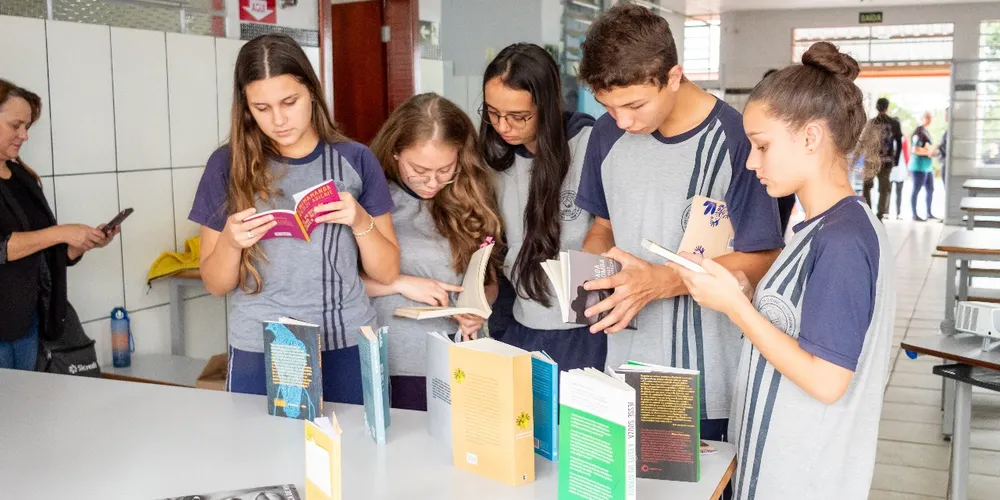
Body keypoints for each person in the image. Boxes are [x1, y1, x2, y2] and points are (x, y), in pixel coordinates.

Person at [672, 42, 894, 500]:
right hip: (779, 465)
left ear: (811, 137)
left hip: (807, 478)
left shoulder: (843, 238)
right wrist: (746, 291)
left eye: (762, 145)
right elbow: (805, 324)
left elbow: (827, 380)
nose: (751, 162)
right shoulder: (818, 227)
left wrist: (736, 308)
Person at [574, 4, 785, 443]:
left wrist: (664, 281)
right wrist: (589, 274)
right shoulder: (605, 136)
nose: (623, 121)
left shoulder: (735, 139)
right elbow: (602, 227)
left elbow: (764, 255)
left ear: (673, 76)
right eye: (608, 107)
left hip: (706, 376)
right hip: (623, 369)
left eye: (634, 105)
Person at [189, 34, 400, 403]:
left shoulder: (356, 159)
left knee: (354, 457)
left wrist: (359, 219)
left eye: (290, 102)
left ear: (312, 92)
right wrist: (230, 242)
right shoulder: (226, 165)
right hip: (260, 343)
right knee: (261, 457)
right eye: (262, 107)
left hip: (345, 340)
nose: (279, 119)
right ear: (246, 107)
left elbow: (386, 272)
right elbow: (216, 285)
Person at [367, 93, 503, 410]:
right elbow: (337, 281)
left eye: (445, 169)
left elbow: (488, 281)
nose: (431, 181)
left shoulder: (471, 197)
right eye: (419, 169)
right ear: (396, 152)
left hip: (457, 359)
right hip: (392, 361)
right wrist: (400, 283)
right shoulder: (370, 199)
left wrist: (478, 309)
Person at [480, 43, 606, 371]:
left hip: (584, 329)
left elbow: (611, 231)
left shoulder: (589, 144)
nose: (503, 127)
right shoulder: (494, 156)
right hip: (517, 325)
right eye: (492, 113)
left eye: (518, 116)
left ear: (547, 106)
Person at [0, 80, 118, 371]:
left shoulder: (22, 178)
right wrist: (60, 233)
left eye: (27, 126)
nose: (24, 136)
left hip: (27, 326)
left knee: (23, 414)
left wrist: (78, 246)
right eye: (16, 125)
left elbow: (44, 255)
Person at [863, 98, 903, 220]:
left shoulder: (870, 123)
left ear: (876, 107)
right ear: (887, 107)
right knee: (884, 189)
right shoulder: (894, 123)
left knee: (867, 187)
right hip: (886, 162)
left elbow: (864, 141)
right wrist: (896, 158)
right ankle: (880, 214)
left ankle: (868, 212)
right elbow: (899, 142)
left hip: (870, 161)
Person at [908, 112, 937, 221]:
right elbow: (915, 149)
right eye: (927, 118)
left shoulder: (926, 131)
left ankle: (929, 212)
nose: (929, 120)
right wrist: (928, 152)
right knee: (916, 190)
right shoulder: (919, 132)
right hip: (918, 167)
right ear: (922, 118)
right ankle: (914, 214)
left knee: (930, 189)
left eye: (931, 118)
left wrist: (930, 151)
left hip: (927, 167)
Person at [888, 135, 909, 219]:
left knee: (888, 191)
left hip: (895, 168)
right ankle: (897, 213)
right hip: (898, 167)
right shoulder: (903, 138)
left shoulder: (888, 137)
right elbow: (906, 154)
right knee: (898, 192)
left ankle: (888, 212)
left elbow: (906, 153)